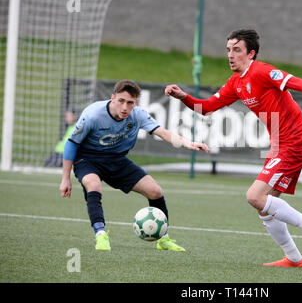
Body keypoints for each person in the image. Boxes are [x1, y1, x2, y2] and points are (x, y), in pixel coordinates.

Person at [165, 29, 302, 268]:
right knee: (265, 205)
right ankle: (293, 258)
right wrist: (183, 97)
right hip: (282, 143)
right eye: (228, 50)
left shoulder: (262, 71)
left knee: (254, 196)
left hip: (294, 143)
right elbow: (206, 108)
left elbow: (300, 84)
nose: (230, 55)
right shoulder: (236, 83)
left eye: (236, 50)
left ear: (251, 54)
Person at [59, 80, 209, 251]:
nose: (125, 107)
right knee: (94, 185)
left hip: (117, 160)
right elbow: (71, 144)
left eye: (130, 103)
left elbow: (162, 132)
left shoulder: (137, 114)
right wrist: (65, 179)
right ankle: (100, 235)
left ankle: (163, 238)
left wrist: (186, 143)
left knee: (155, 191)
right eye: (121, 101)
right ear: (113, 98)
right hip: (88, 160)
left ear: (135, 103)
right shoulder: (93, 114)